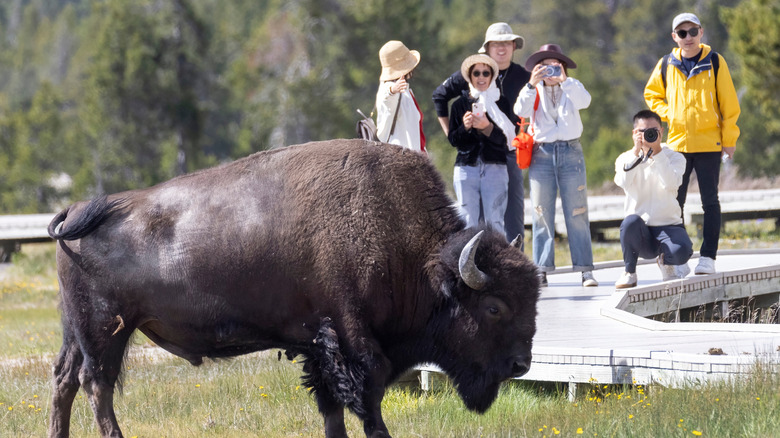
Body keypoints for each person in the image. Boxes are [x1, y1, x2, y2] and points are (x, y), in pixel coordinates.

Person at [644, 12, 740, 275]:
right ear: (674, 37)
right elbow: (651, 94)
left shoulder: (715, 61)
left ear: (701, 32)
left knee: (710, 201)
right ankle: (680, 254)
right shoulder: (666, 63)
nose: (688, 37)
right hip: (677, 145)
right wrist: (669, 113)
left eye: (692, 31)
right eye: (682, 33)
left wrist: (729, 140)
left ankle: (708, 257)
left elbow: (729, 105)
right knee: (676, 203)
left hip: (710, 144)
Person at [432, 23, 531, 245]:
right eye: (496, 44)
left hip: (510, 149)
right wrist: (454, 132)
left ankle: (513, 264)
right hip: (473, 156)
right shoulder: (472, 72)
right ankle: (475, 266)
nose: (502, 49)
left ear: (514, 46)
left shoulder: (524, 77)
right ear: (487, 47)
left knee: (512, 210)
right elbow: (439, 96)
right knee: (471, 216)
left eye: (506, 43)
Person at [514, 44, 598, 287]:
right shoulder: (533, 89)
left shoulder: (572, 87)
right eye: (545, 66)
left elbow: (585, 102)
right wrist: (531, 83)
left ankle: (585, 270)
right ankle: (541, 269)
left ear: (562, 66)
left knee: (578, 212)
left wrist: (565, 81)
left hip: (571, 151)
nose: (550, 71)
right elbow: (520, 110)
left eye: (554, 65)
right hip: (542, 153)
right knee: (541, 213)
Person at [614, 110, 693, 289]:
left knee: (682, 251)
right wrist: (636, 152)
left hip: (668, 226)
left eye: (653, 131)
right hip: (640, 231)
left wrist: (657, 153)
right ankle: (629, 273)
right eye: (643, 131)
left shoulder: (675, 157)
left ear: (661, 132)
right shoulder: (625, 158)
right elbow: (623, 182)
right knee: (629, 222)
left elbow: (671, 184)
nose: (649, 135)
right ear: (635, 133)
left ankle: (667, 262)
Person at [448, 54, 519, 236]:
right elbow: (454, 140)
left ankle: (497, 262)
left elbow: (507, 141)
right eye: (476, 73)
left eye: (485, 73)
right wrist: (465, 127)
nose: (481, 77)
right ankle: (466, 263)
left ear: (491, 76)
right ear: (469, 77)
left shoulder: (501, 103)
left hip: (495, 167)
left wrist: (487, 127)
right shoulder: (459, 105)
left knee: (495, 221)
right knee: (467, 221)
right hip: (466, 168)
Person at [376, 40, 426, 153]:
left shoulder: (405, 90)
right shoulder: (388, 87)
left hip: (409, 155)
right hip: (399, 157)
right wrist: (392, 90)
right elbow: (386, 99)